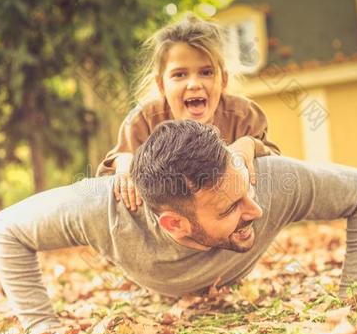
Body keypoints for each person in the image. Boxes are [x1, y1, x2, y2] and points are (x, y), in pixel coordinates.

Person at [0, 120, 357, 334]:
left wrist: (354, 298)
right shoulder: (99, 206)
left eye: (246, 189)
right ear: (174, 224)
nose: (255, 208)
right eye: (232, 206)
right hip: (152, 288)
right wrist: (42, 326)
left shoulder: (270, 181)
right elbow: (4, 230)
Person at [96, 15, 281, 211]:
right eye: (180, 74)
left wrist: (249, 144)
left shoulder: (245, 116)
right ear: (161, 85)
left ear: (223, 80)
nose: (194, 84)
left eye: (206, 72)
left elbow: (279, 167)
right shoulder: (143, 120)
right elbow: (109, 170)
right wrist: (124, 162)